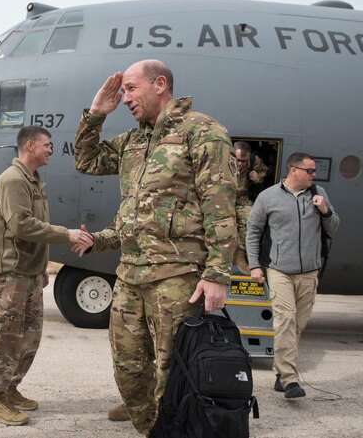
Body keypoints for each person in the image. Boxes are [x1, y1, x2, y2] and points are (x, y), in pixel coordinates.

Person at [74, 59, 237, 435]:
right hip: (130, 275)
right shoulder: (134, 141)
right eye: (122, 91)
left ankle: (174, 429)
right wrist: (96, 114)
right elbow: (86, 160)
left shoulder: (203, 131)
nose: (125, 98)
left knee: (174, 372)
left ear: (159, 84)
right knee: (129, 371)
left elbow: (220, 206)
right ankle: (151, 427)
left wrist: (216, 273)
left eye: (131, 89)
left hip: (177, 276)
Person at [0, 126, 94, 426]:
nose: (50, 150)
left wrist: (41, 266)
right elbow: (22, 226)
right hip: (11, 273)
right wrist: (66, 234)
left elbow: (34, 228)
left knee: (29, 337)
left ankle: (10, 388)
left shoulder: (33, 180)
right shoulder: (13, 180)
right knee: (6, 336)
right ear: (29, 146)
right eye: (47, 145)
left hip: (28, 272)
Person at [246, 152, 340, 399]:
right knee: (286, 319)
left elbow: (334, 227)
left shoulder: (318, 193)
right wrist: (255, 265)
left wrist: (325, 210)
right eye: (310, 171)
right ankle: (290, 380)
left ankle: (280, 371)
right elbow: (253, 232)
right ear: (294, 170)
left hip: (309, 272)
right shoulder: (268, 197)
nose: (314, 175)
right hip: (279, 271)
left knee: (297, 325)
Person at [232, 141, 269, 274]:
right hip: (224, 199)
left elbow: (264, 170)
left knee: (252, 218)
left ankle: (240, 254)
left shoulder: (254, 161)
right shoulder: (221, 159)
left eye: (244, 161)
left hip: (242, 199)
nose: (241, 164)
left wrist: (257, 177)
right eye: (238, 160)